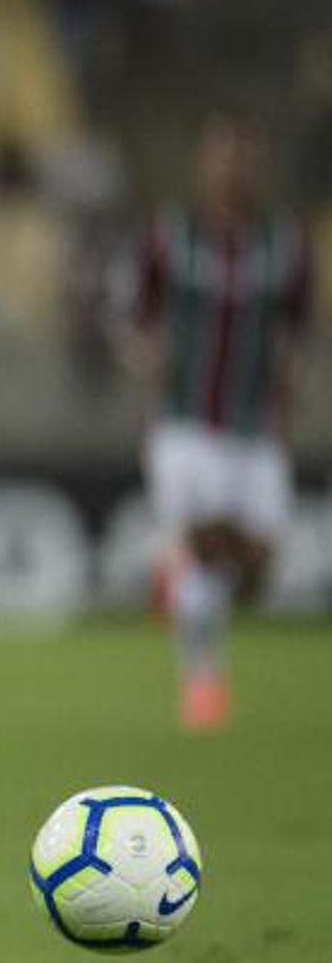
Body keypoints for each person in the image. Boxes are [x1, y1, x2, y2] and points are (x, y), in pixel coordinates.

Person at [124, 108, 313, 730]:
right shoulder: (170, 234)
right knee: (206, 545)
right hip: (185, 424)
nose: (232, 165)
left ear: (258, 164)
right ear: (203, 163)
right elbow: (133, 313)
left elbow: (300, 326)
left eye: (243, 153)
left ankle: (169, 569)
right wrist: (143, 352)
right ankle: (203, 679)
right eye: (221, 152)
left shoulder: (285, 243)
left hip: (257, 429)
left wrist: (296, 382)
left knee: (258, 568)